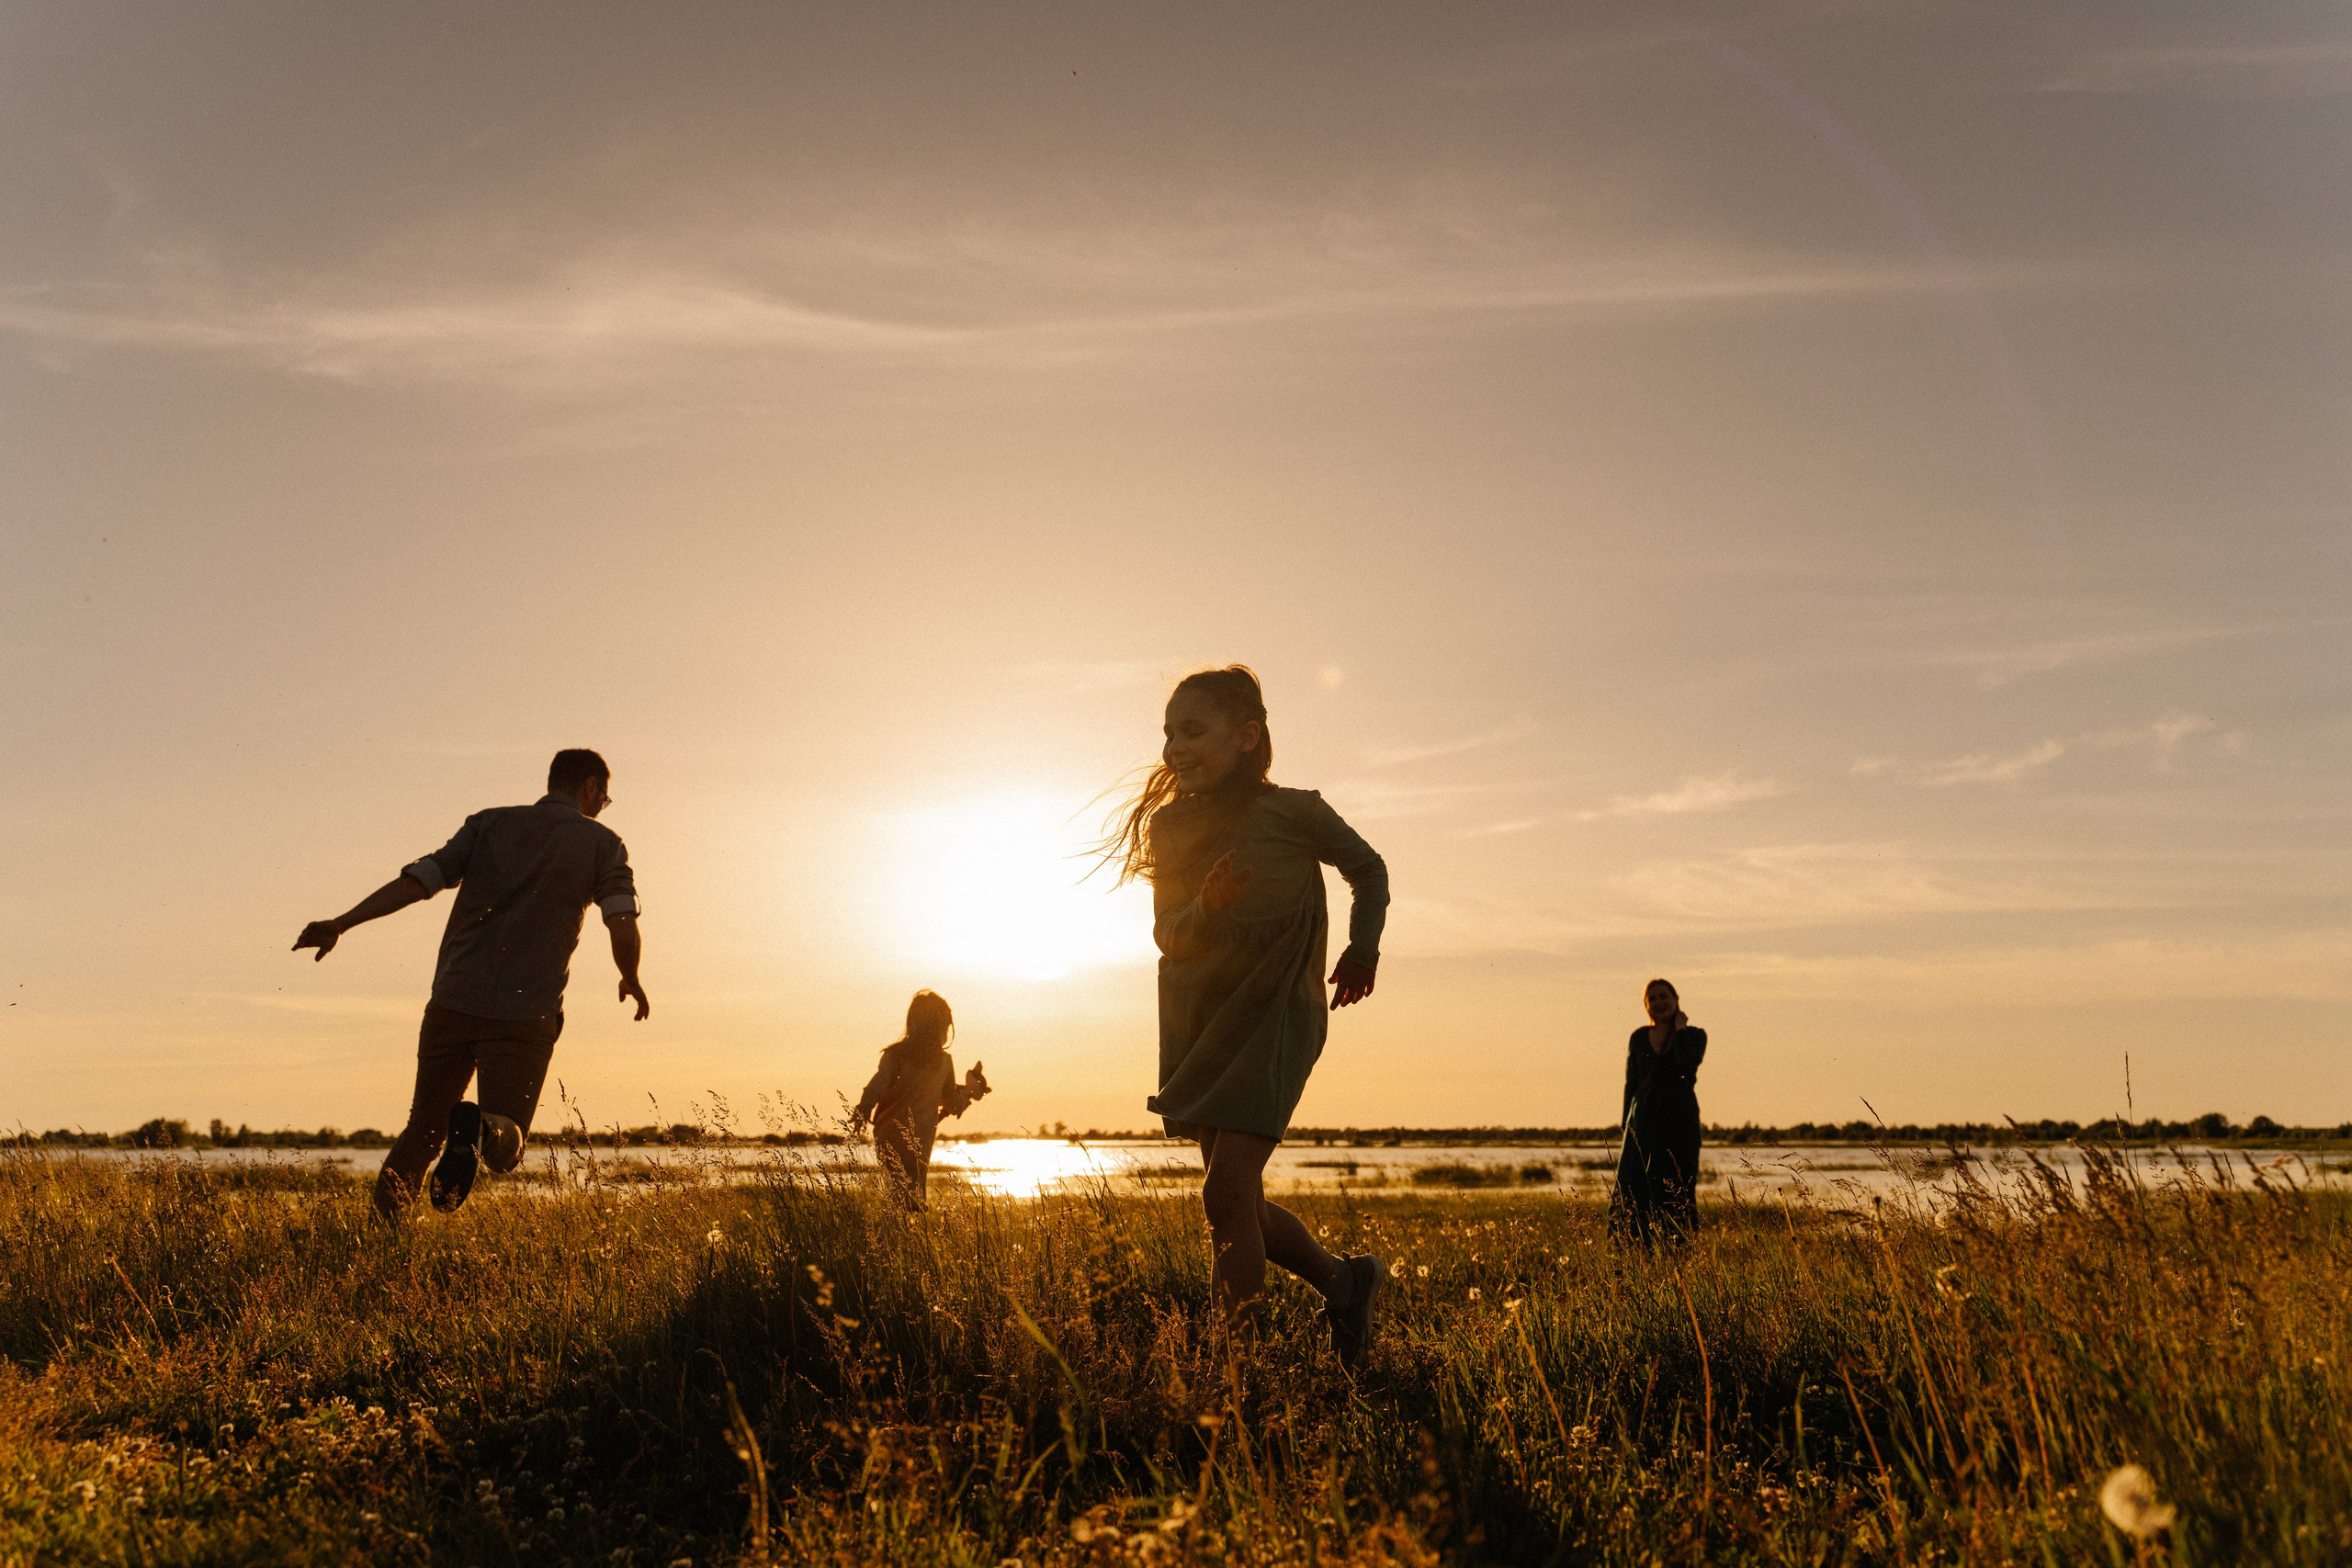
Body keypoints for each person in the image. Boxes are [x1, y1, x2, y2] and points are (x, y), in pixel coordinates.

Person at [1096, 665, 1390, 1367]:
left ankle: (1237, 1375)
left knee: (1225, 1189)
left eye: (1192, 730)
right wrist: (1208, 906)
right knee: (1240, 1203)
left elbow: (1369, 869)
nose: (1174, 746)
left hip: (1280, 1009)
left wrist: (1362, 949)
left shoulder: (1295, 812)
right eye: (1167, 732)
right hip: (1202, 1020)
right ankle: (1346, 1280)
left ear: (1247, 735)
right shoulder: (1170, 828)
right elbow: (1170, 932)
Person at [292, 749, 648, 1219]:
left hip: (453, 1001)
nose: (604, 805)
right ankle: (480, 1132)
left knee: (421, 1133)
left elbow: (419, 881)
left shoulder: (488, 824)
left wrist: (342, 922)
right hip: (525, 1014)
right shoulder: (604, 844)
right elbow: (620, 919)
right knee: (507, 1144)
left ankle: (377, 1243)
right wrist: (630, 976)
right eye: (604, 796)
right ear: (588, 788)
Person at [848, 989, 991, 1211]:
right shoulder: (942, 1062)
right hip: (919, 1137)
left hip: (889, 1134)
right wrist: (970, 1092)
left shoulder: (895, 1055)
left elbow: (877, 1084)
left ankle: (891, 1240)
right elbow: (952, 1103)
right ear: (941, 1027)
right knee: (907, 1198)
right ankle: (888, 1242)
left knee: (902, 1195)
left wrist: (863, 1109)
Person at [1611, 977, 1707, 1247]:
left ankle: (1679, 1248)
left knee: (1678, 1184)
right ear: (1646, 1006)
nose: (1659, 1002)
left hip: (1679, 1118)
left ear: (1676, 1000)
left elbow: (1685, 1065)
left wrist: (1680, 1029)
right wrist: (1625, 1125)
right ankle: (1635, 1247)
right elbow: (1631, 1081)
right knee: (1635, 1184)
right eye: (1652, 999)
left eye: (1664, 996)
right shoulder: (1638, 1037)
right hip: (1643, 1118)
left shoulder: (1694, 1036)